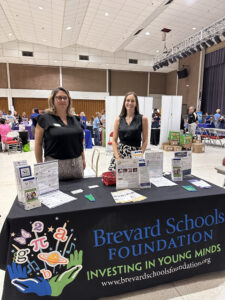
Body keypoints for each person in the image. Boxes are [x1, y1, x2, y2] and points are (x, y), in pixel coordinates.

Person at [35, 87, 86, 180]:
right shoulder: (44, 119)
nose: (62, 100)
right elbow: (38, 144)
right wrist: (40, 165)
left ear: (69, 100)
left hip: (76, 164)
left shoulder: (75, 119)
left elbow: (79, 142)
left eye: (65, 98)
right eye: (59, 97)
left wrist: (83, 159)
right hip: (54, 164)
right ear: (53, 100)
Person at [109, 91, 148, 171]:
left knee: (133, 180)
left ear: (136, 103)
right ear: (124, 102)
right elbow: (114, 140)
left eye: (132, 101)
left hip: (135, 155)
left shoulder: (143, 119)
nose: (130, 103)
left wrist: (140, 155)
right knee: (116, 181)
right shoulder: (119, 119)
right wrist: (117, 157)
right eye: (128, 100)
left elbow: (145, 140)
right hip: (120, 154)